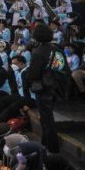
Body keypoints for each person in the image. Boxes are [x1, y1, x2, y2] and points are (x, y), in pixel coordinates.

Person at [26, 24, 61, 153]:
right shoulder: (56, 49)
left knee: (47, 119)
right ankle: (45, 143)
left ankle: (52, 147)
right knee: (48, 116)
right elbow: (62, 68)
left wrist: (29, 81)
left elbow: (33, 73)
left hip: (43, 88)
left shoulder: (38, 52)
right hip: (55, 87)